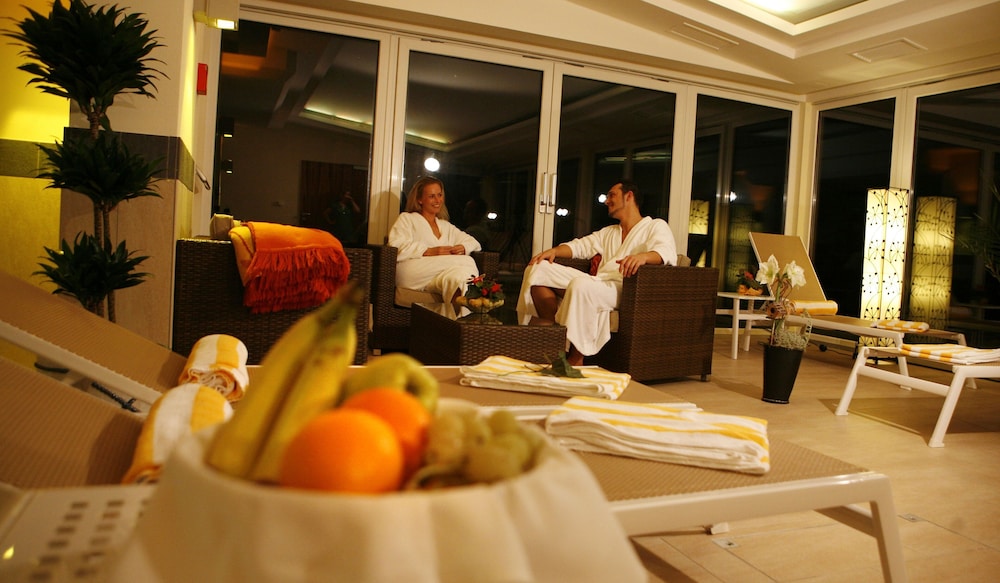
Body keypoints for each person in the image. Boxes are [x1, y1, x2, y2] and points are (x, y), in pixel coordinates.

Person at [516, 180, 677, 365]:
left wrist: (643, 257)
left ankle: (576, 358)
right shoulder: (609, 232)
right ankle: (552, 333)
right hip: (599, 283)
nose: (607, 201)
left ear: (629, 196)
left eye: (612, 195)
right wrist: (554, 251)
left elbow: (666, 252)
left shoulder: (655, 226)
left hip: (625, 287)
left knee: (581, 285)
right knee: (538, 269)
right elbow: (581, 246)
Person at [388, 176, 482, 302]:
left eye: (440, 195)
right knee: (467, 261)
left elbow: (474, 243)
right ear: (420, 199)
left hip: (438, 276)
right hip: (412, 273)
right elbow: (395, 246)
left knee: (461, 277)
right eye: (432, 196)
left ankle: (460, 314)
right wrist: (429, 251)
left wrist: (463, 247)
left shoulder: (446, 226)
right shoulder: (407, 219)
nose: (438, 200)